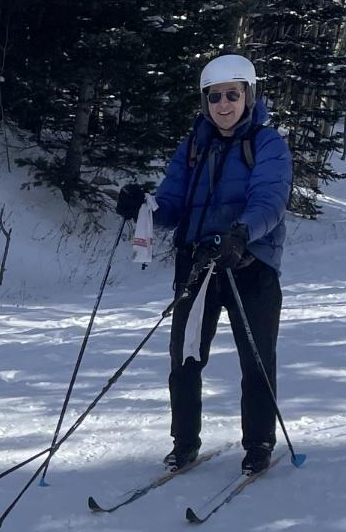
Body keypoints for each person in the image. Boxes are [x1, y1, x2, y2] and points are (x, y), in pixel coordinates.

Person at [117, 53, 292, 476]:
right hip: (198, 265)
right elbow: (172, 203)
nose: (223, 104)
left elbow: (270, 200)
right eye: (215, 97)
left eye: (232, 94)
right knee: (185, 357)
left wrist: (242, 233)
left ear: (248, 95)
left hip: (250, 264)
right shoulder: (193, 146)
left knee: (255, 358)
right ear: (205, 102)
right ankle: (184, 443)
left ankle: (259, 443)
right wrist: (144, 208)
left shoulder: (267, 144)